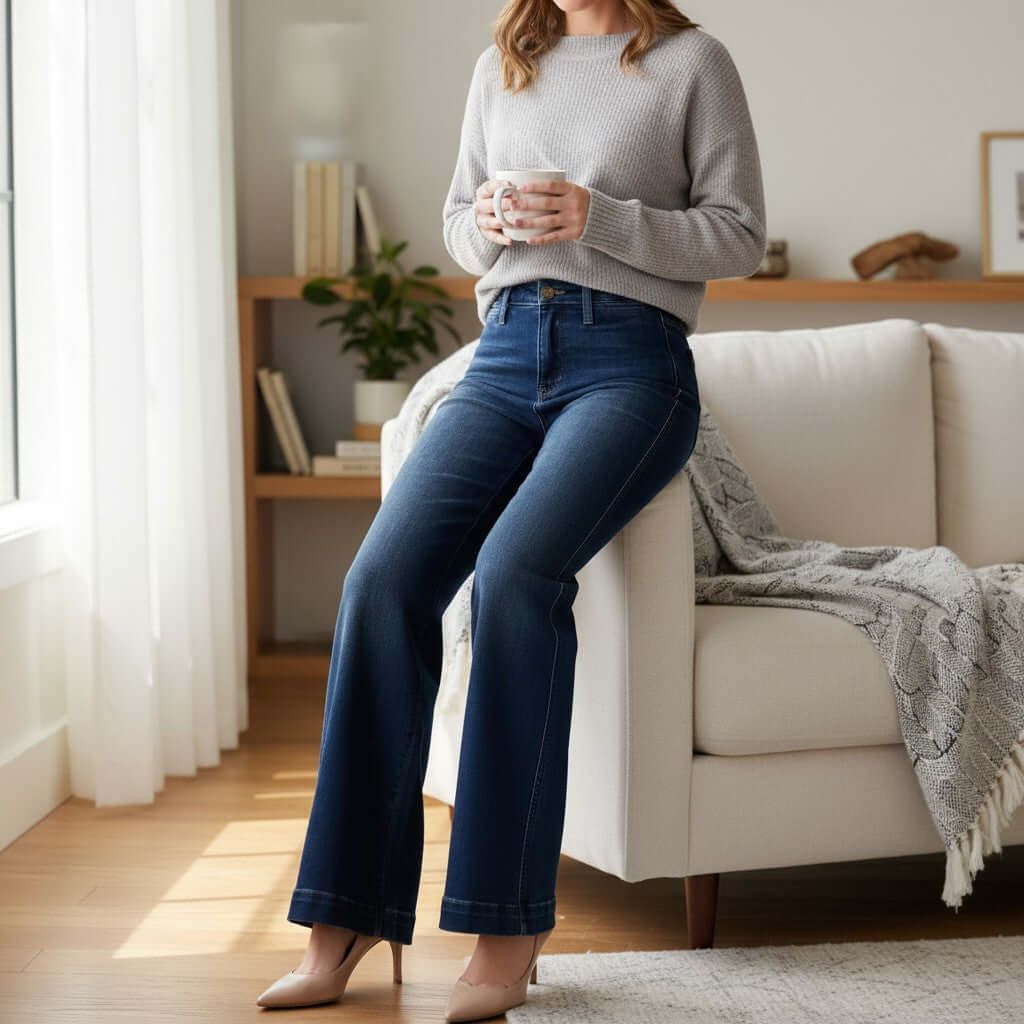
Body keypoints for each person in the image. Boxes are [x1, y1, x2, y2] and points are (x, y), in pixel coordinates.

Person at [255, 0, 766, 1018]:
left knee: (517, 577)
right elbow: (457, 224)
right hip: (501, 357)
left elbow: (740, 235)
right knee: (382, 584)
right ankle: (343, 914)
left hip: (631, 365)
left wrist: (597, 215)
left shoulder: (690, 63)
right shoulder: (507, 64)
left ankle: (506, 924)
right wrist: (487, 223)